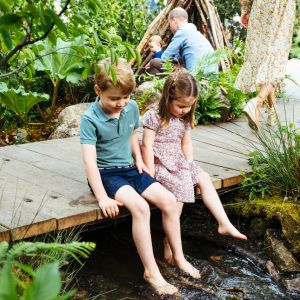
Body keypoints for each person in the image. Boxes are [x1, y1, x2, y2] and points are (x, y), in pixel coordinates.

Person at [80, 59, 200, 295]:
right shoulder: (90, 119)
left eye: (125, 97)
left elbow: (132, 135)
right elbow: (89, 162)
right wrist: (103, 197)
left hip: (131, 169)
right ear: (98, 91)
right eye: (114, 98)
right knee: (141, 208)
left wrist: (140, 160)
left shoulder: (131, 107)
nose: (121, 104)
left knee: (168, 201)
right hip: (107, 175)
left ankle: (178, 256)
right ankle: (151, 272)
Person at [142, 70, 247, 263]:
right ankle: (170, 241)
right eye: (181, 106)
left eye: (189, 106)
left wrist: (189, 164)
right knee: (181, 189)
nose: (184, 110)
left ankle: (223, 223)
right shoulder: (154, 115)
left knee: (204, 178)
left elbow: (186, 143)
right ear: (167, 98)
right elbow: (147, 145)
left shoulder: (184, 118)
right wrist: (149, 173)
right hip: (160, 163)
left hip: (179, 161)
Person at [235, 0, 296, 128]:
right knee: (276, 57)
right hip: (282, 7)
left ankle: (272, 111)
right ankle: (257, 102)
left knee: (264, 57)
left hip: (262, 6)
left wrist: (246, 9)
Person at [148, 7, 218, 74]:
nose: (170, 27)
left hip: (196, 77)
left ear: (174, 21)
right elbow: (177, 57)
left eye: (170, 24)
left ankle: (158, 85)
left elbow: (165, 58)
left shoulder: (182, 32)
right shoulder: (193, 32)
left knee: (154, 62)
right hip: (210, 77)